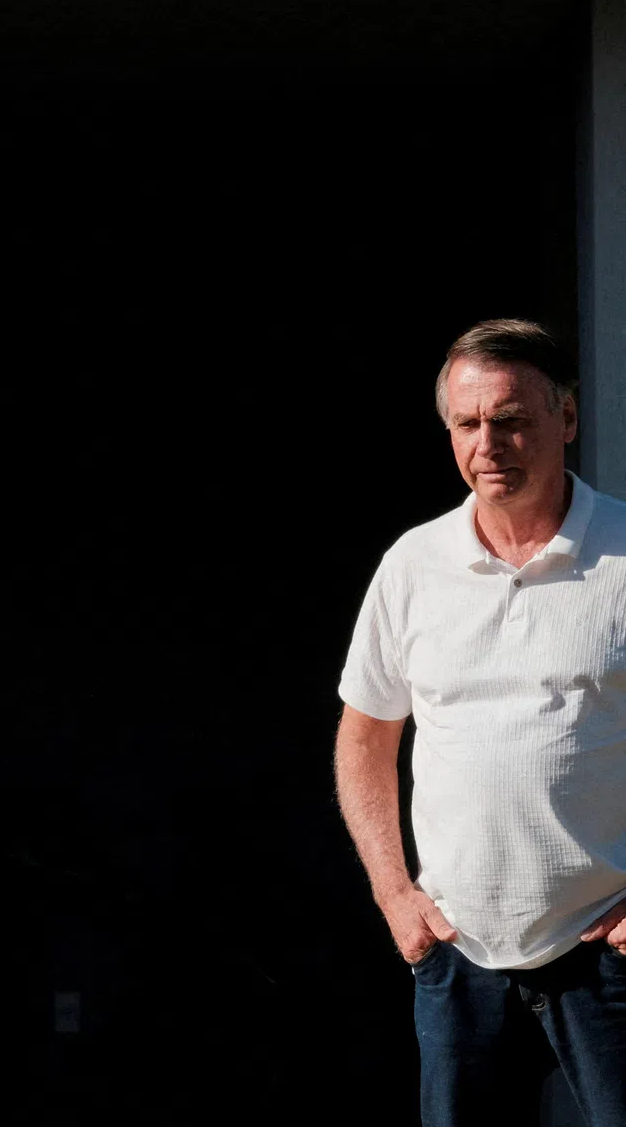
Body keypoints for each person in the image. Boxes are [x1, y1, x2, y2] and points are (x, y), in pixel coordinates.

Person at [335, 318, 626, 1127]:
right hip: (458, 954)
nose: (488, 444)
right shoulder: (413, 565)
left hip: (607, 952)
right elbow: (365, 734)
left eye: (512, 419)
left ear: (566, 420)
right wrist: (395, 895)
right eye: (468, 424)